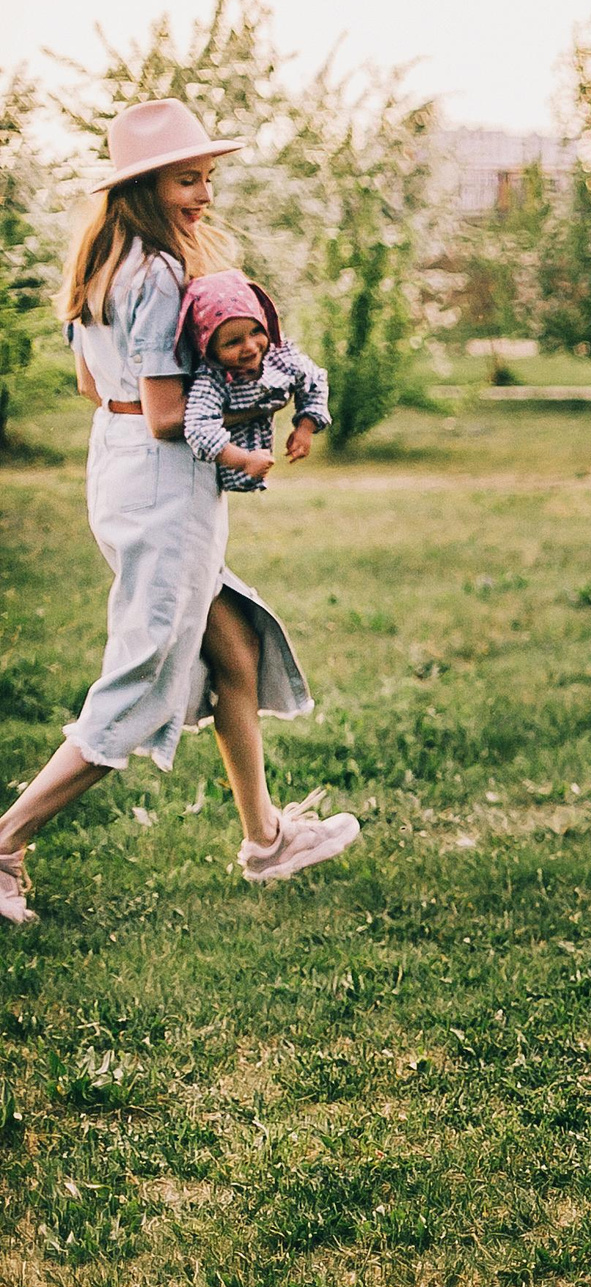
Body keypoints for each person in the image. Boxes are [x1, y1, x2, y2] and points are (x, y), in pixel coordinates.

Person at [0, 101, 359, 925]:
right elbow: (169, 417)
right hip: (163, 485)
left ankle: (267, 839)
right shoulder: (160, 275)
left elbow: (98, 389)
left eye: (205, 177)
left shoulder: (104, 262)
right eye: (187, 179)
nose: (203, 194)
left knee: (230, 643)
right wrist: (250, 417)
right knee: (144, 679)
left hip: (118, 469)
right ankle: (7, 840)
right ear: (144, 185)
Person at [180, 270, 329, 492]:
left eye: (256, 331)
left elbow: (314, 381)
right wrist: (243, 461)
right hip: (228, 468)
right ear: (209, 349)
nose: (250, 347)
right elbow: (199, 428)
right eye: (233, 342)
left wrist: (305, 427)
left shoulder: (279, 356)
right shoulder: (212, 380)